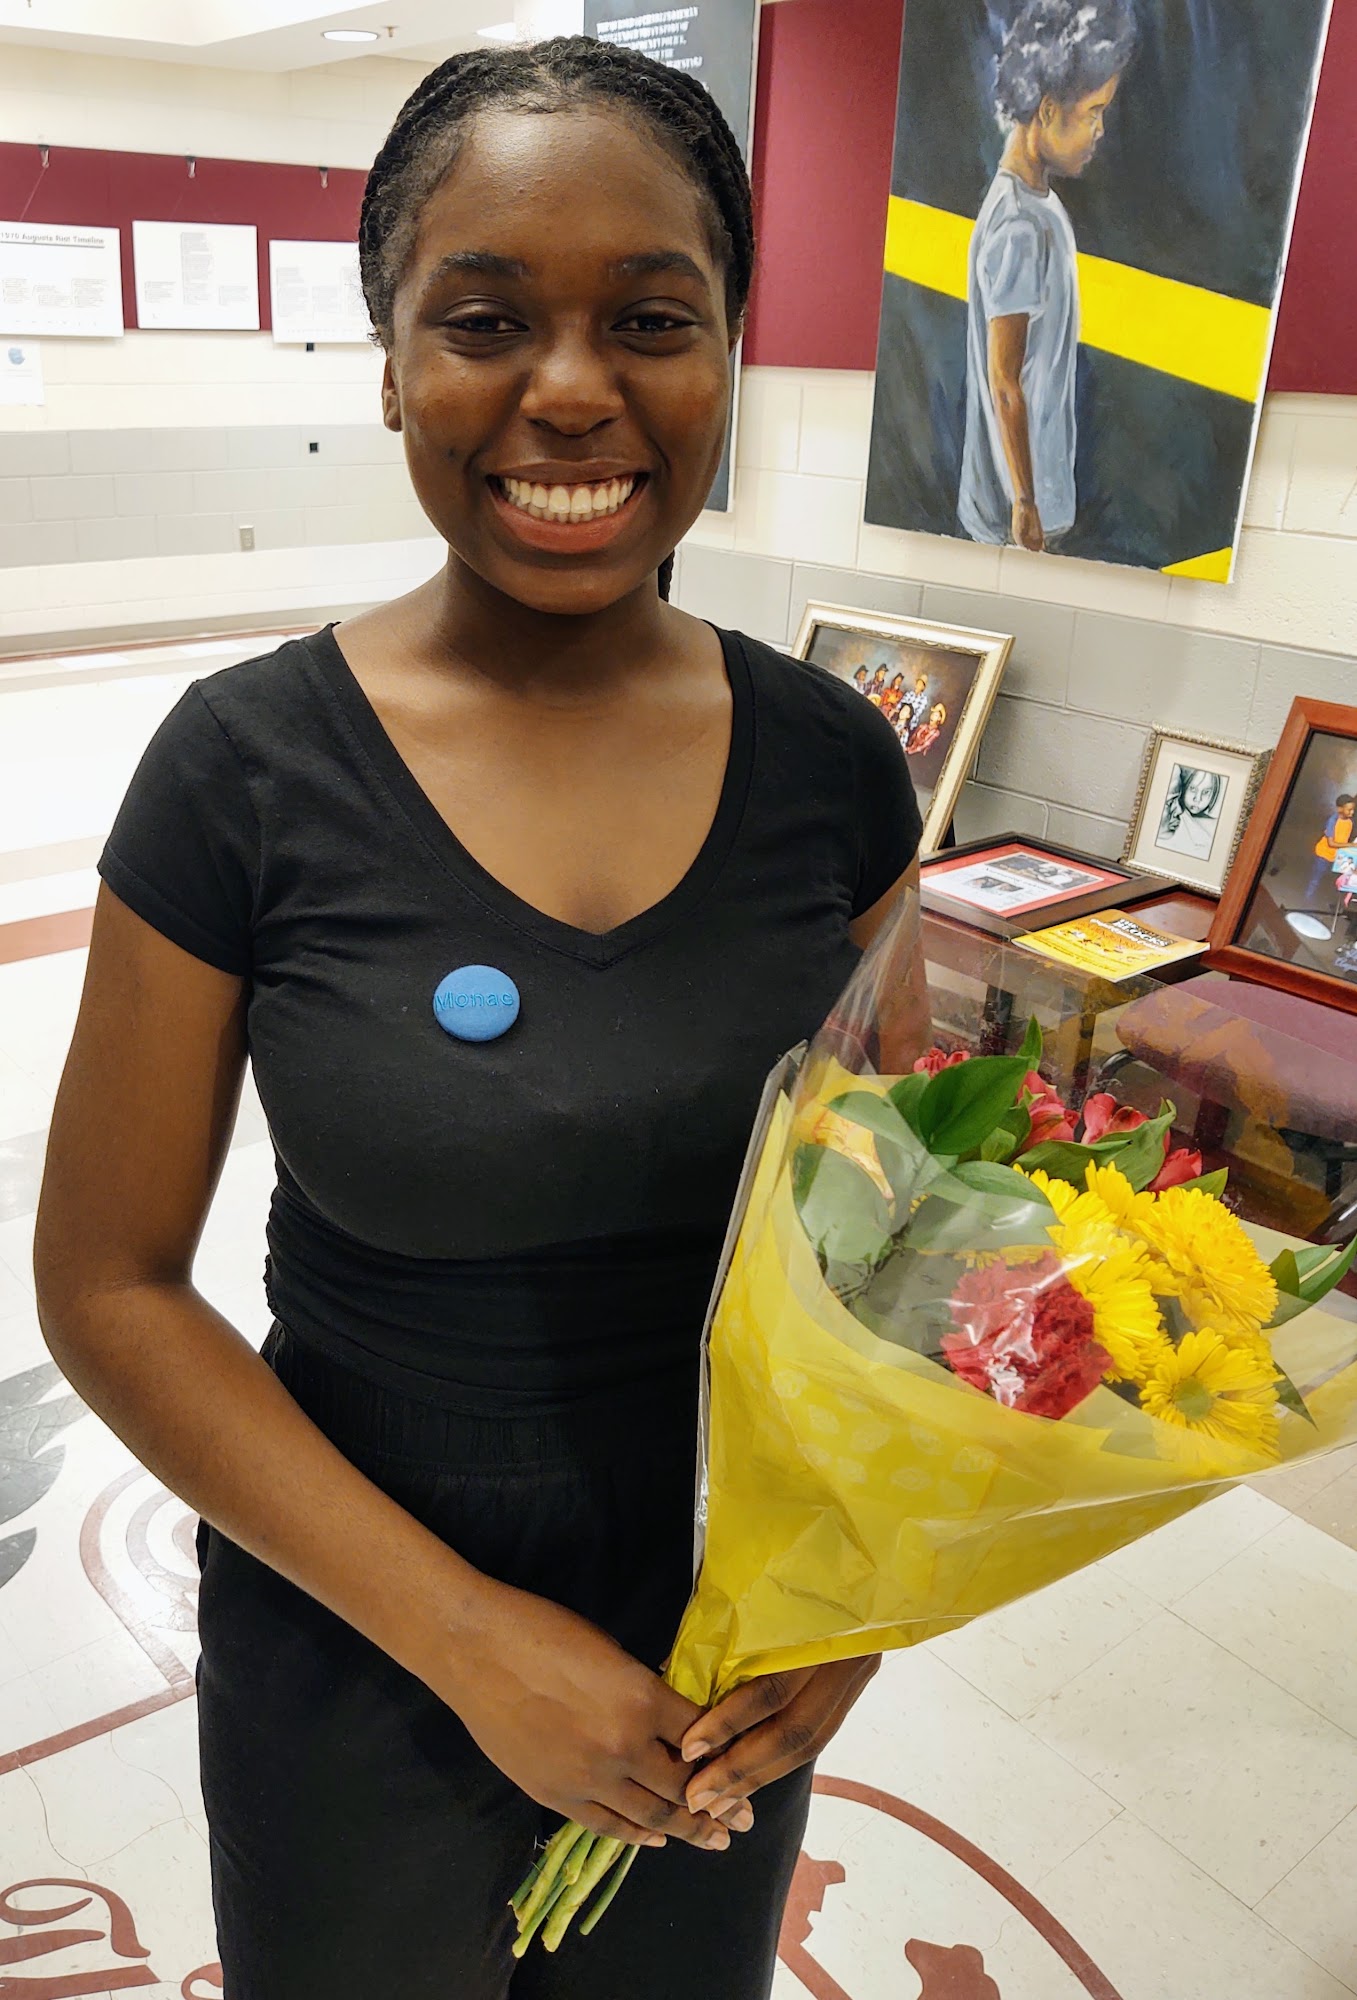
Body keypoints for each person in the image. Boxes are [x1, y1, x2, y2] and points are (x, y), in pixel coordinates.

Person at [32, 38, 922, 2000]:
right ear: (389, 364)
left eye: (651, 318)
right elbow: (106, 1285)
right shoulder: (244, 773)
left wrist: (854, 1597)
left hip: (724, 1635)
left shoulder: (837, 770)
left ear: (730, 352)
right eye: (487, 319)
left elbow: (891, 1241)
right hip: (353, 1614)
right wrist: (463, 1639)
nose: (573, 388)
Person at [959, 0, 1137, 551]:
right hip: (1011, 512)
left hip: (1035, 494)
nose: (1099, 130)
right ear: (1047, 109)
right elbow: (1005, 381)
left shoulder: (1040, 207)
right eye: (1092, 112)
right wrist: (1025, 502)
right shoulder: (1017, 225)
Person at [1307, 793, 1357, 904]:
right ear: (1340, 809)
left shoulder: (1350, 822)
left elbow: (1344, 840)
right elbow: (1331, 843)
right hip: (1323, 854)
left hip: (1336, 856)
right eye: (1349, 810)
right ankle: (1307, 900)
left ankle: (1324, 902)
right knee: (1316, 879)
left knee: (1334, 881)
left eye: (1353, 810)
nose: (1352, 812)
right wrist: (1351, 845)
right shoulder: (1332, 821)